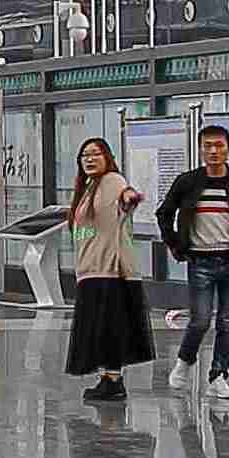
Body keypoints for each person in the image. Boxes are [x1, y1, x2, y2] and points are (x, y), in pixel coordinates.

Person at [155, 125, 229, 403]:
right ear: (200, 149)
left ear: (228, 148)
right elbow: (164, 213)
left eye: (219, 145)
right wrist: (175, 243)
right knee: (201, 320)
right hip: (200, 260)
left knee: (227, 323)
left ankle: (219, 377)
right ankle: (185, 361)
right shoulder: (187, 182)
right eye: (208, 146)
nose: (214, 151)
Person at [59, 136, 150, 407]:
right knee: (99, 328)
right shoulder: (88, 187)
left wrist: (131, 198)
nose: (89, 159)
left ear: (107, 157)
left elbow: (125, 196)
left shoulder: (112, 181)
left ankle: (113, 380)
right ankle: (107, 378)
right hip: (90, 268)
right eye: (84, 155)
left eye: (95, 154)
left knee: (109, 327)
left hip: (108, 268)